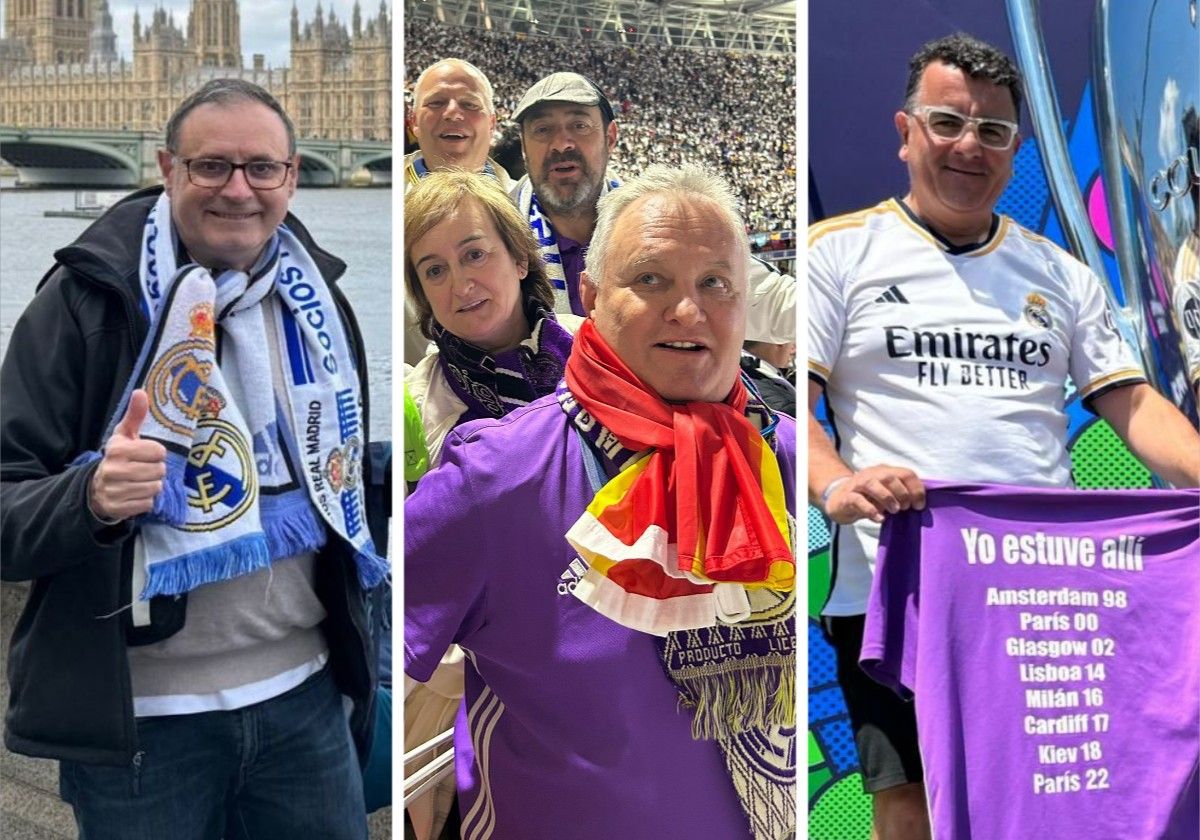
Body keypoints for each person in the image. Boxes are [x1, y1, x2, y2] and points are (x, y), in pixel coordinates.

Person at [807, 34, 1200, 840]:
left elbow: (1130, 401)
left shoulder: (1060, 273)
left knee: (1050, 792)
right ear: (905, 131)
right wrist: (836, 484)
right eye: (948, 122)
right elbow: (792, 411)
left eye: (992, 131)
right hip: (894, 587)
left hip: (1039, 590)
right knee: (910, 806)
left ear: (1016, 147)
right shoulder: (837, 253)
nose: (969, 146)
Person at [0, 79, 386, 839]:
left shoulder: (321, 305)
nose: (238, 189)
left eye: (261, 168)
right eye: (211, 166)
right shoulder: (85, 302)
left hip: (307, 705)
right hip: (143, 729)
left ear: (292, 176)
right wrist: (91, 497)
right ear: (166, 169)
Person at [406, 164, 797, 839]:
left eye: (715, 283)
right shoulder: (493, 477)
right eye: (651, 279)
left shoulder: (785, 459)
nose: (688, 311)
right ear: (590, 294)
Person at [403, 169, 572, 840]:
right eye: (434, 270)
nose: (459, 283)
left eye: (474, 254)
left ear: (520, 255)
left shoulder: (606, 355)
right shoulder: (417, 407)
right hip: (480, 700)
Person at [509, 71, 797, 347]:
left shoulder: (662, 222)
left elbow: (775, 304)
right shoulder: (497, 235)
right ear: (524, 146)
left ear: (610, 138)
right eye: (543, 129)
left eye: (579, 126)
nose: (561, 144)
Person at [405, 59, 513, 364]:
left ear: (491, 124)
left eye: (469, 104)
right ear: (413, 121)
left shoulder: (529, 203)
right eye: (436, 103)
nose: (453, 113)